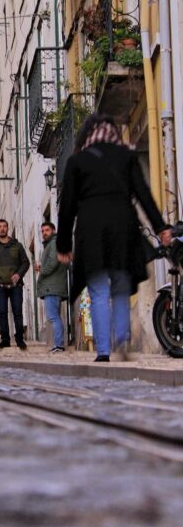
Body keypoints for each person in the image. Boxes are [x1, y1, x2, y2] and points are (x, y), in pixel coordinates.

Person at [56, 113, 172, 362]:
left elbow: (67, 207)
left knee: (98, 291)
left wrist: (63, 243)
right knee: (120, 286)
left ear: (87, 133)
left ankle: (103, 351)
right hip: (123, 229)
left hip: (91, 232)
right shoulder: (126, 156)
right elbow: (143, 194)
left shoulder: (77, 161)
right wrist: (161, 227)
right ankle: (121, 336)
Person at [0, 219, 30, 350]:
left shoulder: (17, 245)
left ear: (8, 228)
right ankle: (5, 340)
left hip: (16, 286)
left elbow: (25, 262)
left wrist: (19, 274)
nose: (2, 229)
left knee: (18, 313)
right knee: (2, 313)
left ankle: (20, 340)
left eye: (4, 226)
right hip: (0, 287)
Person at [36, 222, 68, 353]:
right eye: (42, 231)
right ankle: (58, 344)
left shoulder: (54, 243)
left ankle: (59, 345)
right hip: (53, 286)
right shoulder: (51, 244)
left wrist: (41, 270)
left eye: (47, 230)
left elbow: (53, 262)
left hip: (52, 287)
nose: (44, 233)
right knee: (55, 316)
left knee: (53, 316)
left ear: (53, 230)